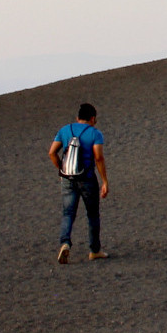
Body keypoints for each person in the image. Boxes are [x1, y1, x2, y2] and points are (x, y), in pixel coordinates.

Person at [48, 103, 109, 263]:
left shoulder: (65, 130)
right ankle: (94, 250)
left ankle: (65, 243)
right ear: (93, 118)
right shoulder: (95, 133)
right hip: (87, 178)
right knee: (92, 214)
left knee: (68, 213)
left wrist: (61, 169)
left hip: (68, 178)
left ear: (77, 118)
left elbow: (52, 152)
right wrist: (104, 181)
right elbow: (98, 157)